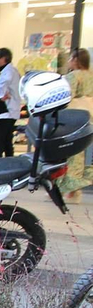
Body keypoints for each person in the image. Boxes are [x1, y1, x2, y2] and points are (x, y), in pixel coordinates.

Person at [64, 48, 93, 201]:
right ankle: (76, 189)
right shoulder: (91, 75)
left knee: (72, 154)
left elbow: (68, 97)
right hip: (90, 116)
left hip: (75, 118)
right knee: (83, 154)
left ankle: (71, 189)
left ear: (75, 60)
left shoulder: (73, 76)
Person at [0, 48, 22, 157]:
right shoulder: (9, 71)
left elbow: (3, 84)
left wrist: (0, 95)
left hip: (5, 112)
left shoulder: (9, 71)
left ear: (3, 59)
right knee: (6, 142)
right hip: (6, 112)